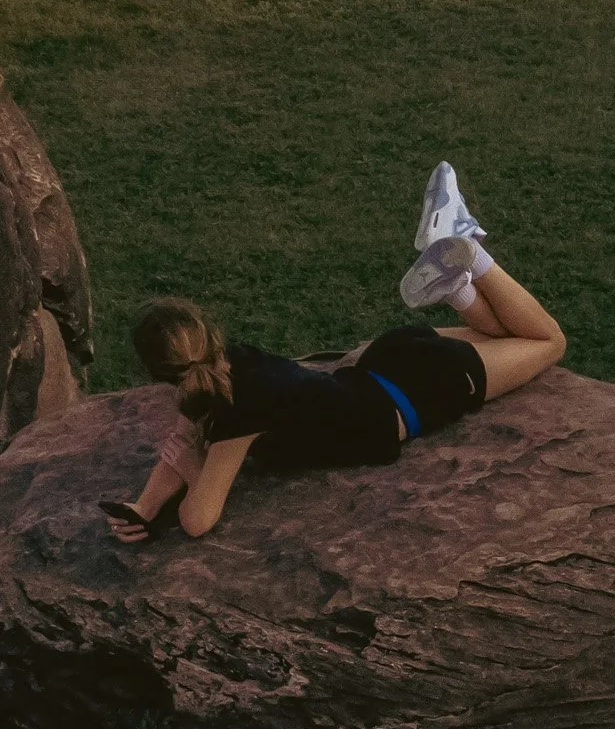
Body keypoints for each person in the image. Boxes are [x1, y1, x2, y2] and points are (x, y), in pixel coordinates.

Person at [107, 164, 565, 542]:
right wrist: (142, 507)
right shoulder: (231, 359)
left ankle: (468, 244)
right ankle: (455, 286)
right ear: (207, 336)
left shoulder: (235, 416)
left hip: (420, 389)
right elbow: (184, 432)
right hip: (389, 357)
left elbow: (197, 520)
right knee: (503, 333)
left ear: (159, 375)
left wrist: (192, 471)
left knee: (548, 342)